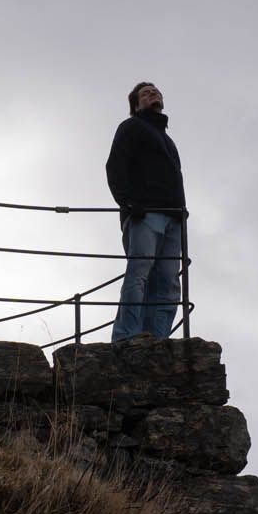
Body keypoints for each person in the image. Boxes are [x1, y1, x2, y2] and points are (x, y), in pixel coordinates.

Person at [103, 81, 187, 341]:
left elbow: (176, 178)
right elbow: (115, 165)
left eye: (156, 91)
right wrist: (127, 202)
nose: (153, 94)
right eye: (145, 93)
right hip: (145, 213)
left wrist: (182, 211)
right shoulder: (131, 127)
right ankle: (126, 337)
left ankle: (158, 340)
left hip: (173, 217)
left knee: (168, 283)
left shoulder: (168, 141)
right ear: (136, 106)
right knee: (139, 273)